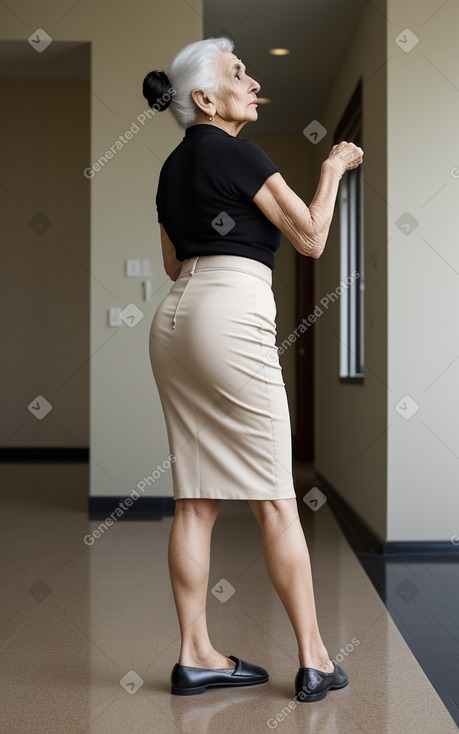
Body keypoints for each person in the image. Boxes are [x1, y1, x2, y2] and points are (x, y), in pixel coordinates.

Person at [142, 36, 363, 702]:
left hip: (174, 322)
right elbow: (311, 238)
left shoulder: (170, 169)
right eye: (238, 74)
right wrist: (333, 171)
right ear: (203, 98)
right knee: (274, 497)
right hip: (229, 317)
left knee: (196, 498)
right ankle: (315, 660)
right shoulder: (240, 152)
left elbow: (174, 264)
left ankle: (196, 655)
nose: (253, 81)